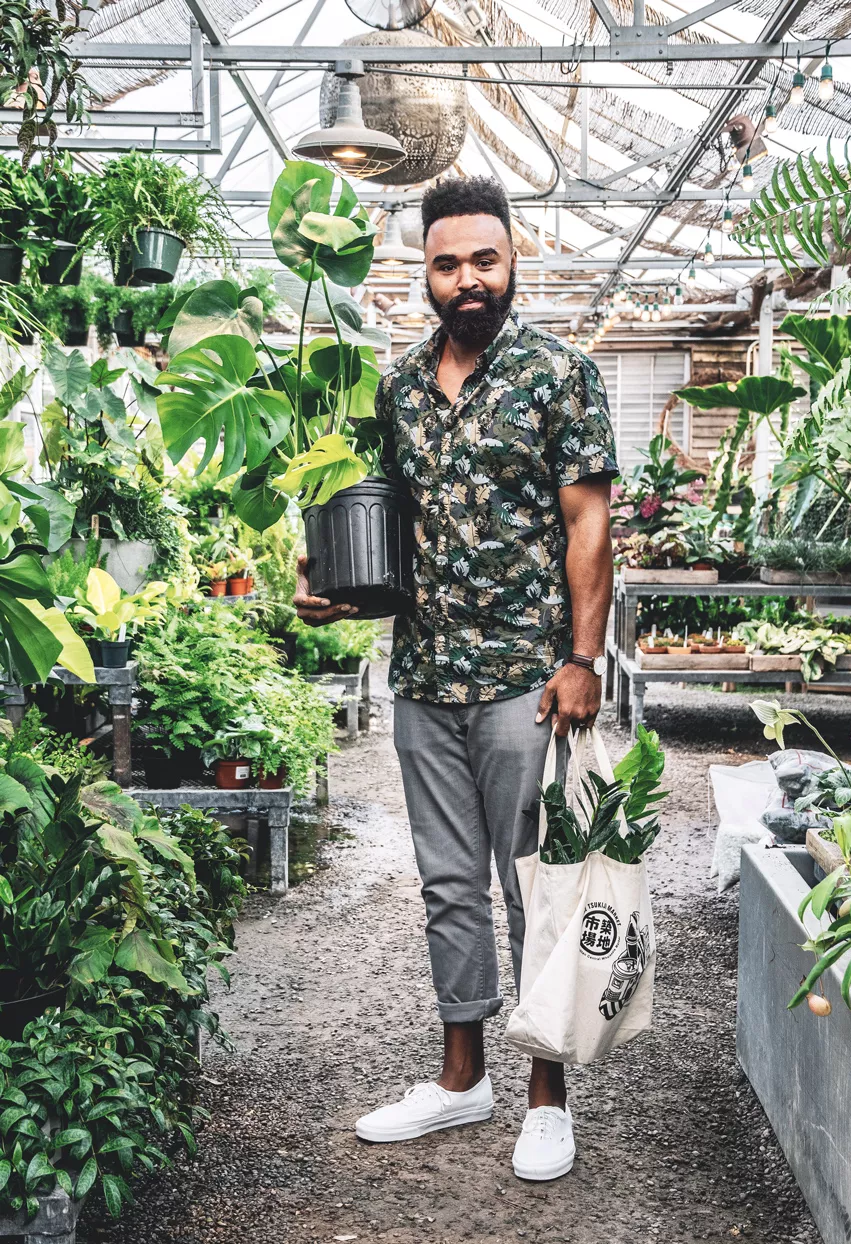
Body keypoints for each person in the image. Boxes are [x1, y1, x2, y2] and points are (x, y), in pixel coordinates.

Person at [294, 176, 617, 1182]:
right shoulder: (396, 387)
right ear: (421, 273)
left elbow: (586, 524)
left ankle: (546, 1094)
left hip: (528, 678)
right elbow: (401, 541)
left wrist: (581, 659)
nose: (467, 279)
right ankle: (459, 1074)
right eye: (447, 263)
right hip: (426, 676)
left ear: (514, 260)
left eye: (485, 259)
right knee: (446, 884)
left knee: (534, 885)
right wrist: (341, 596)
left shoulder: (559, 374)